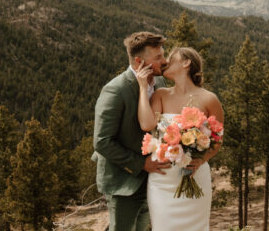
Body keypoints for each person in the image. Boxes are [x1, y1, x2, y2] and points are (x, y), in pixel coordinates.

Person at [135, 46, 224, 231]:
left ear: (186, 63)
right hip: (162, 181)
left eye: (171, 58)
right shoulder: (161, 94)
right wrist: (143, 88)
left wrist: (201, 160)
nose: (165, 62)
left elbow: (218, 140)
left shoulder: (209, 99)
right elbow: (146, 124)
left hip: (195, 176)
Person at [93, 31, 171, 231]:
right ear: (139, 61)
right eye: (158, 57)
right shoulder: (115, 90)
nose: (165, 60)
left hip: (151, 180)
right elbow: (102, 141)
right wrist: (142, 163)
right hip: (123, 181)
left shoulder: (160, 83)